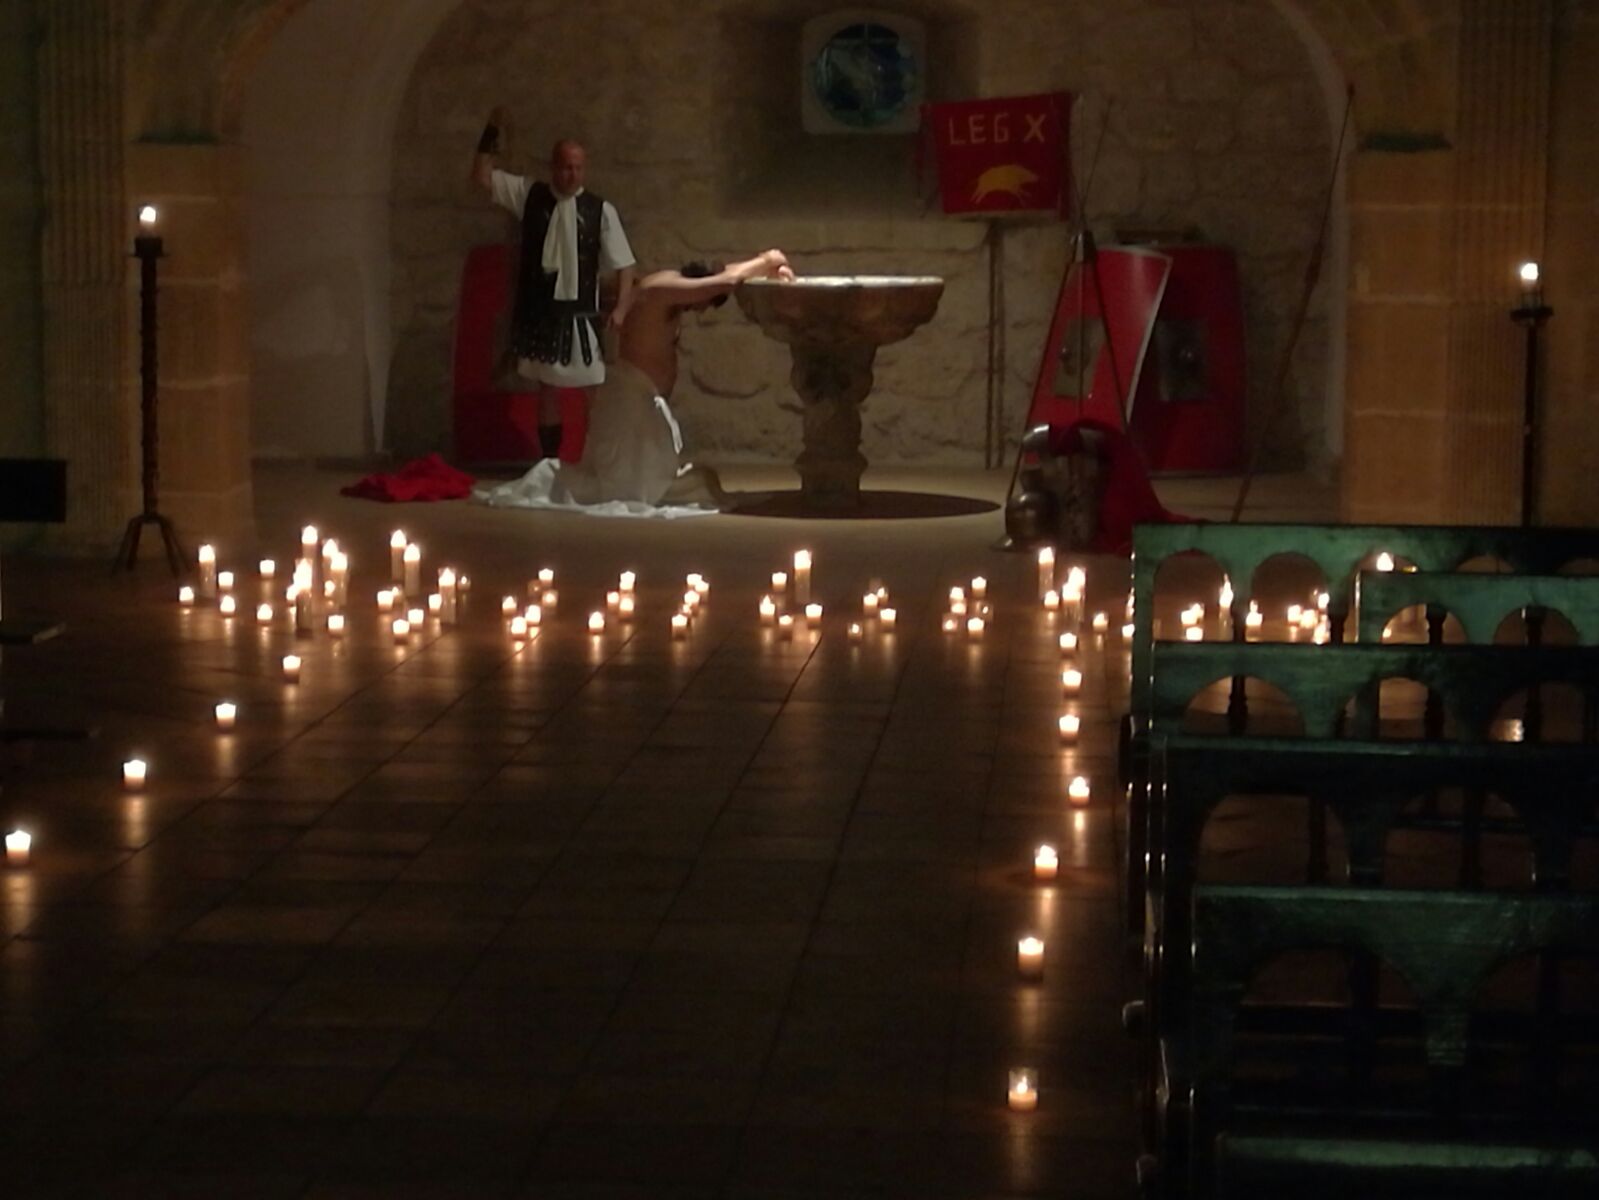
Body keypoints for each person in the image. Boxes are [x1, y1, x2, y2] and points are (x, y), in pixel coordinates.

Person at [475, 250, 795, 517]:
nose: (699, 308)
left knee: (692, 483)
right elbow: (723, 281)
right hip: (629, 403)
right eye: (702, 302)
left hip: (643, 399)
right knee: (626, 490)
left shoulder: (671, 285)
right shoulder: (661, 289)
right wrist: (768, 259)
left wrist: (764, 268)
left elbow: (724, 277)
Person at [471, 108, 634, 460]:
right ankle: (550, 463)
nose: (572, 174)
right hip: (543, 315)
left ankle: (600, 461)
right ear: (553, 167)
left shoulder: (599, 210)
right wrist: (491, 134)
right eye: (565, 167)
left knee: (593, 390)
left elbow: (625, 264)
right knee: (547, 389)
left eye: (578, 167)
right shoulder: (530, 195)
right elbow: (482, 177)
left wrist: (621, 309)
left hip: (582, 316)